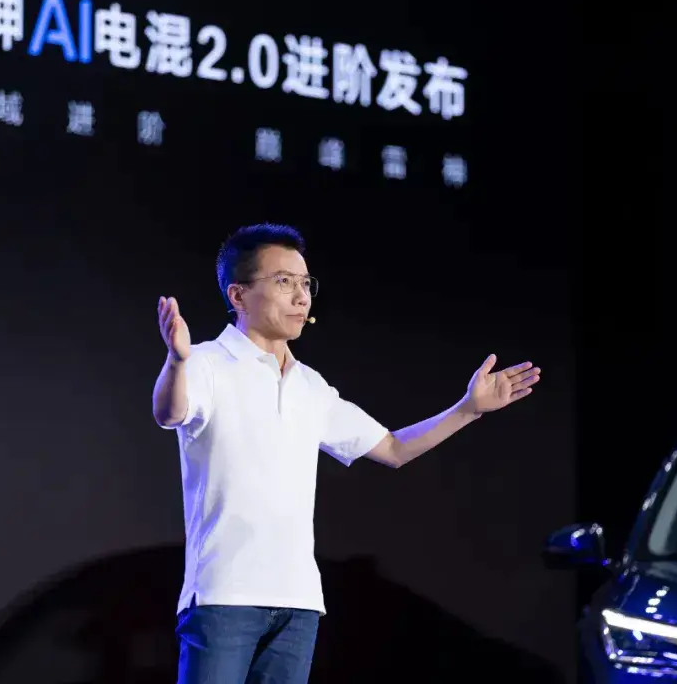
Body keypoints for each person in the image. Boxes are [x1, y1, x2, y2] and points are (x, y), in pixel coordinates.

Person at [152, 223, 541, 684]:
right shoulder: (205, 362)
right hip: (224, 594)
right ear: (238, 295)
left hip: (298, 601)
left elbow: (393, 448)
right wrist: (177, 360)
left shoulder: (310, 385)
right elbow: (169, 412)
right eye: (284, 281)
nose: (301, 296)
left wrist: (468, 409)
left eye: (305, 283)